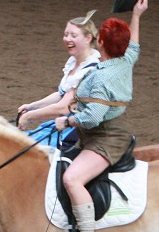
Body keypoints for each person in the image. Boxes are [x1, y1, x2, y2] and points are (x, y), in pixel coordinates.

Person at [54, 0, 148, 232]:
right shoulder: (125, 61)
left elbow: (93, 117)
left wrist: (68, 121)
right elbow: (135, 46)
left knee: (72, 179)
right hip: (109, 131)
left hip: (104, 138)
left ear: (101, 42)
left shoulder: (101, 77)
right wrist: (137, 15)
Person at [16, 11, 101, 146]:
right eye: (66, 34)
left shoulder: (90, 70)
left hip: (78, 130)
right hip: (64, 124)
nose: (67, 39)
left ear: (88, 38)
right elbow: (61, 94)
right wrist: (32, 107)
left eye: (73, 35)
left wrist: (29, 116)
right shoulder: (73, 63)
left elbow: (63, 108)